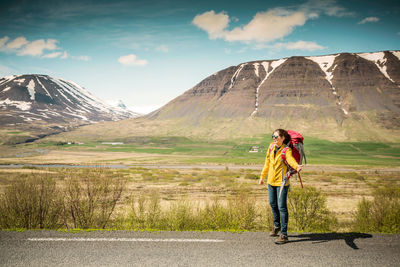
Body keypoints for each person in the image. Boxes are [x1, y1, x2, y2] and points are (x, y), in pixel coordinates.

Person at [258, 129, 303, 244]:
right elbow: (267, 163)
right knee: (273, 204)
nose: (274, 138)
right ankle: (277, 226)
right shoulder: (271, 147)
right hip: (271, 181)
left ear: (283, 138)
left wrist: (297, 166)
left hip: (282, 183)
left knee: (281, 207)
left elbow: (290, 159)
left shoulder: (286, 150)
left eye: (276, 136)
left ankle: (284, 234)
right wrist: (262, 177)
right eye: (273, 136)